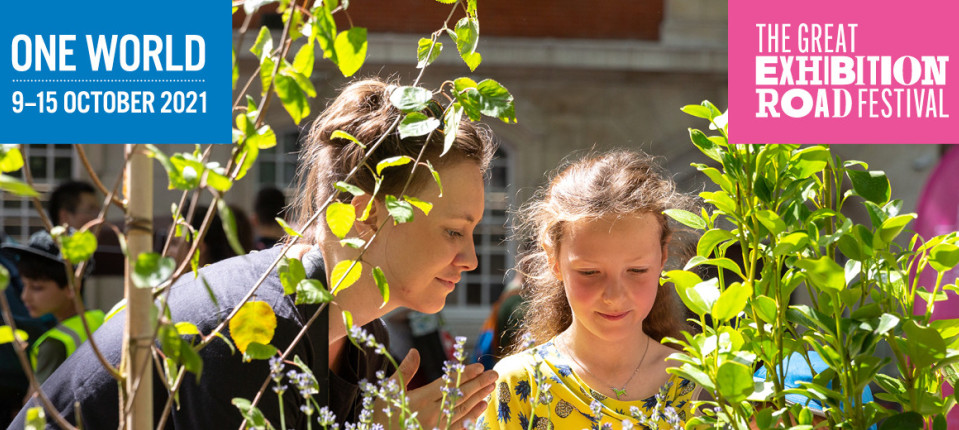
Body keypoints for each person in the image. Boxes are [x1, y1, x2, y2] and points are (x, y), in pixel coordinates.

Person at [11, 77, 498, 429]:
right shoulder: (252, 328)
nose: (471, 260)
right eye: (454, 231)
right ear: (366, 214)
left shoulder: (356, 336)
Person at [479, 150, 700, 429]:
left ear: (663, 257)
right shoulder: (518, 384)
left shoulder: (699, 384)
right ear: (553, 259)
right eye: (590, 272)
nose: (614, 296)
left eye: (637, 271)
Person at [1, 231, 104, 385]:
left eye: (37, 288)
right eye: (24, 285)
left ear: (71, 287)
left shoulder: (54, 345)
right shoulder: (103, 319)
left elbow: (40, 406)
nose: (24, 296)